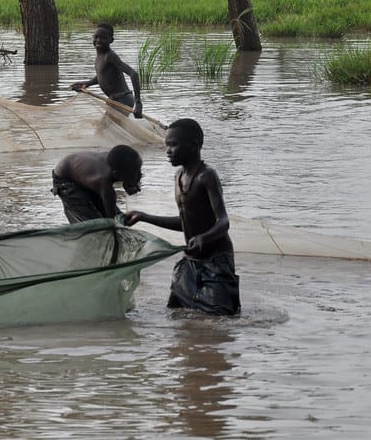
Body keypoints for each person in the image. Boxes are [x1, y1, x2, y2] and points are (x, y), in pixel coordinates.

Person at [124, 118, 240, 316]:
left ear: (193, 146)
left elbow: (223, 222)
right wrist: (144, 217)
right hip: (191, 259)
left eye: (173, 145)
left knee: (222, 317)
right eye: (167, 145)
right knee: (177, 312)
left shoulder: (207, 176)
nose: (168, 151)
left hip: (216, 259)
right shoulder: (178, 176)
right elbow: (186, 223)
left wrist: (204, 238)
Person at [51, 145, 143, 223]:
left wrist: (132, 182)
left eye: (139, 169)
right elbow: (112, 219)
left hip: (84, 173)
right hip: (65, 179)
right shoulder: (103, 180)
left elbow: (136, 174)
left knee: (120, 217)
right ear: (117, 174)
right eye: (134, 173)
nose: (139, 174)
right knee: (92, 222)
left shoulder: (118, 161)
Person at [70, 23, 143, 119]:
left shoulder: (110, 56)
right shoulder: (99, 57)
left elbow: (134, 74)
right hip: (115, 99)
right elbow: (103, 76)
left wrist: (138, 102)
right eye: (96, 37)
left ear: (111, 40)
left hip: (122, 99)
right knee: (107, 126)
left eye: (103, 38)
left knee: (104, 127)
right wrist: (86, 84)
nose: (98, 40)